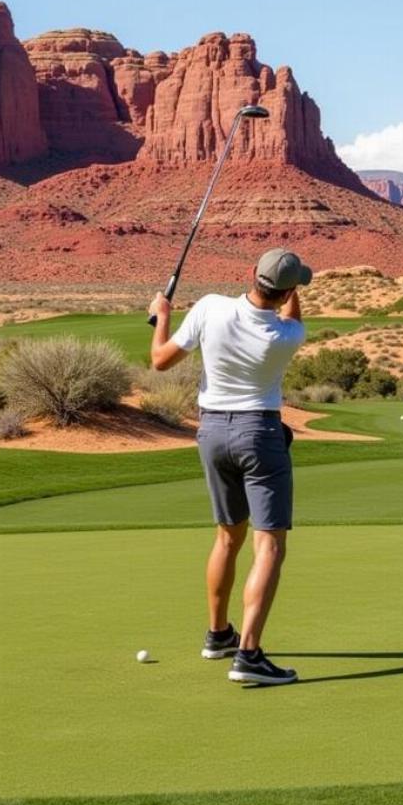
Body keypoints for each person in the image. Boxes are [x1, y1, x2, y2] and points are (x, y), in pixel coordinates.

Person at [148, 248, 312, 686]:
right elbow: (293, 315)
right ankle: (249, 655)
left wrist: (161, 314)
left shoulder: (208, 307)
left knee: (227, 536)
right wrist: (293, 292)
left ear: (251, 276)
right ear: (289, 292)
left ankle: (218, 634)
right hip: (260, 434)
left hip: (212, 433)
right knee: (270, 545)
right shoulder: (286, 336)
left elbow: (160, 360)